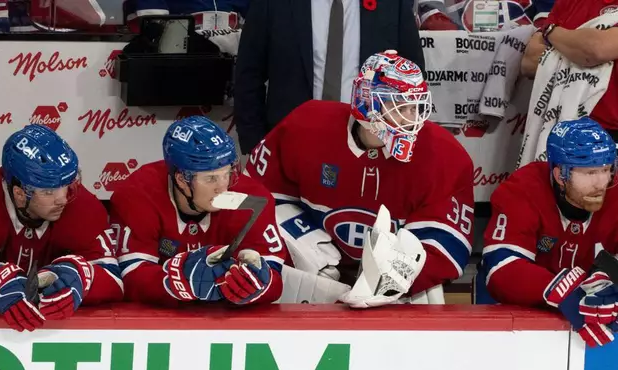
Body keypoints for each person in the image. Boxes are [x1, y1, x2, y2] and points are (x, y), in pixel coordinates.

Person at [244, 50, 475, 306]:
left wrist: (389, 279)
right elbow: (255, 194)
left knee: (428, 294)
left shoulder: (443, 153)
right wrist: (307, 245)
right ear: (368, 102)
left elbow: (447, 242)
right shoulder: (307, 125)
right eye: (400, 107)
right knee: (311, 258)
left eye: (415, 106)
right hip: (316, 266)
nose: (411, 119)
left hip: (397, 284)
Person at [109, 116, 285, 307]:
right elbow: (132, 278)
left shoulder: (253, 198)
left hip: (223, 322)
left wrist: (255, 284)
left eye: (227, 174)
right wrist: (178, 282)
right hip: (159, 322)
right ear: (181, 179)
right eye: (210, 178)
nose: (222, 187)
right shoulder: (138, 195)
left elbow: (275, 279)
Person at [477, 117, 618, 347]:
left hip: (582, 308)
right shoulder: (522, 189)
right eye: (589, 172)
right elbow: (501, 268)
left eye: (605, 169)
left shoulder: (614, 190)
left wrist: (611, 286)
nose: (601, 183)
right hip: (514, 308)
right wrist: (561, 289)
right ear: (559, 175)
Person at [0, 125, 124, 332]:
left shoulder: (83, 207)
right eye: (48, 192)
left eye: (67, 185)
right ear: (19, 193)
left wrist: (81, 276)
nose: (62, 199)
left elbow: (114, 280)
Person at [234, 0, 425, 155]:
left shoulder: (392, 4)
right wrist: (256, 144)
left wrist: (400, 138)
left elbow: (414, 73)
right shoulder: (273, 4)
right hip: (289, 145)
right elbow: (249, 74)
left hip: (369, 145)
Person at [520, 0, 618, 137]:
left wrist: (550, 31)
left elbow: (595, 49)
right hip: (560, 130)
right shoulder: (568, 2)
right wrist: (578, 51)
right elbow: (529, 62)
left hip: (611, 131)